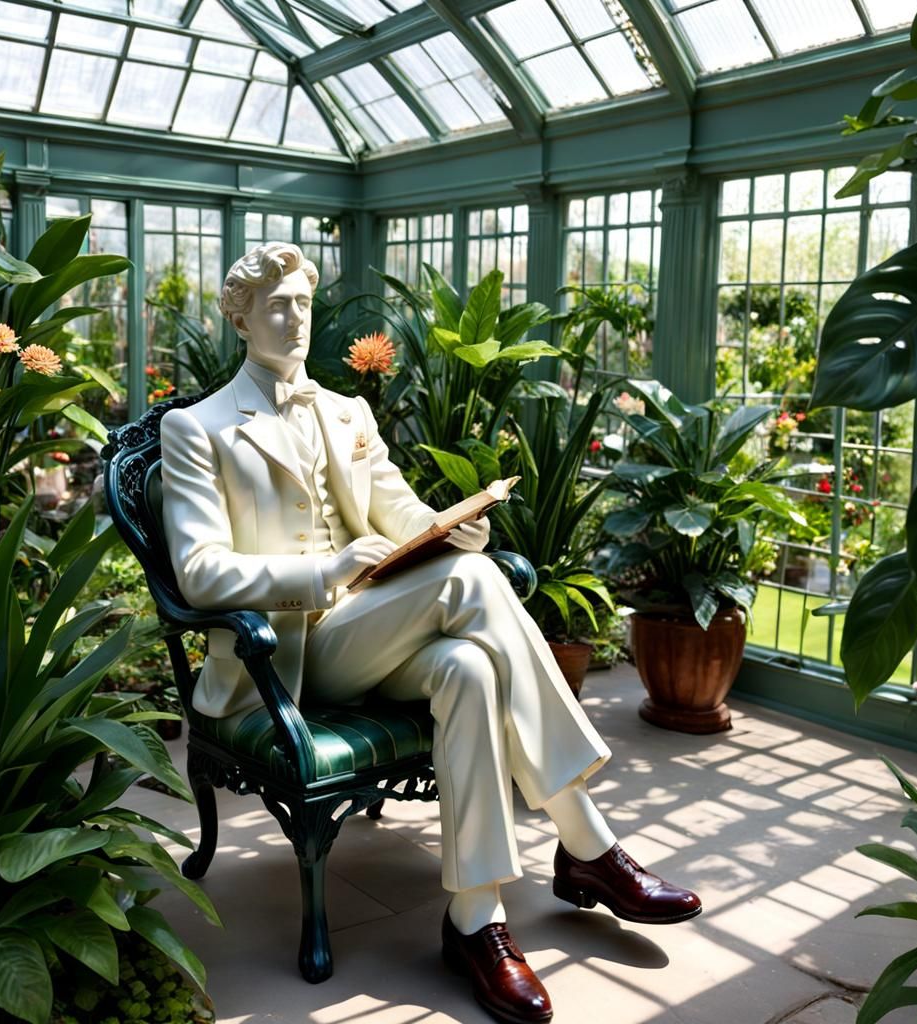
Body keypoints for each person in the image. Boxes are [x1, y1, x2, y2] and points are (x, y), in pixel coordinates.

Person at [160, 242, 701, 1024]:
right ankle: (586, 844)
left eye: (304, 304)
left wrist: (455, 531)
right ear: (241, 318)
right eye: (276, 305)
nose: (294, 318)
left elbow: (403, 515)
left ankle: (475, 919)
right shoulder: (197, 427)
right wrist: (325, 571)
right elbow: (201, 573)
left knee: (468, 670)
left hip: (376, 636)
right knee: (471, 594)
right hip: (288, 655)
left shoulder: (349, 413)